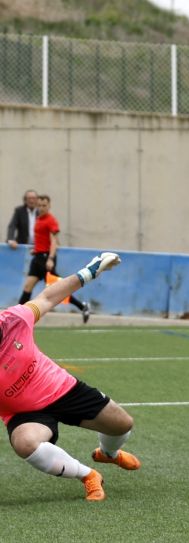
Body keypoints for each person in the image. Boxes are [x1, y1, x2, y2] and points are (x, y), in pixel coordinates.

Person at [1, 251, 141, 502]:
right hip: (24, 414)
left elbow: (48, 296)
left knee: (123, 424)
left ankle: (108, 454)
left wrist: (92, 270)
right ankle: (88, 475)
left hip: (61, 388)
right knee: (25, 443)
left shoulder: (14, 320)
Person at [17, 195, 90, 323]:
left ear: (49, 206)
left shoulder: (51, 220)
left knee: (58, 289)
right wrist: (36, 249)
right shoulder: (39, 219)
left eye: (44, 205)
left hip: (46, 259)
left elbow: (54, 241)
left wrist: (50, 258)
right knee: (28, 286)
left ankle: (83, 306)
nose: (41, 208)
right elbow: (42, 239)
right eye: (39, 205)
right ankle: (17, 317)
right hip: (37, 258)